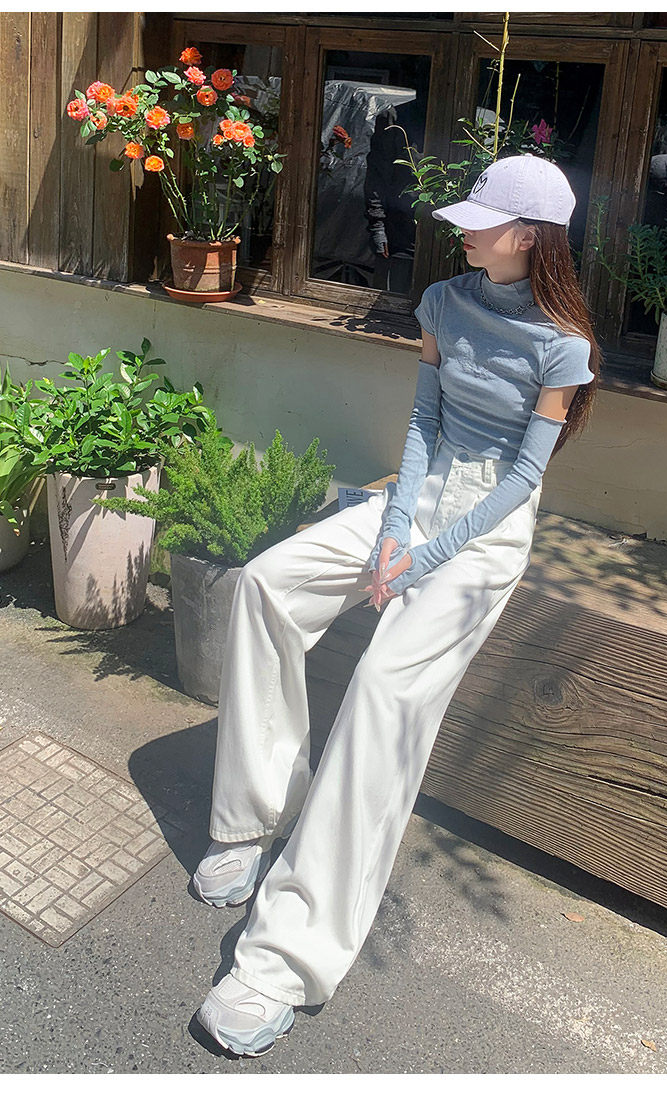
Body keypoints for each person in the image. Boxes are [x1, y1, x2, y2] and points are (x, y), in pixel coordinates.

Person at [192, 154, 600, 1058]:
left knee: (383, 690)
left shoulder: (562, 346)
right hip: (418, 500)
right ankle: (253, 813)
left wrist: (424, 559)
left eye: (481, 220)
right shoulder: (443, 304)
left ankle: (287, 956)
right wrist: (391, 533)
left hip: (487, 532)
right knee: (268, 583)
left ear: (527, 236)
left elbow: (520, 480)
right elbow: (423, 426)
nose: (463, 231)